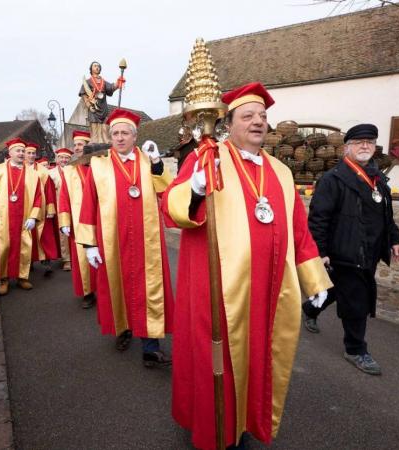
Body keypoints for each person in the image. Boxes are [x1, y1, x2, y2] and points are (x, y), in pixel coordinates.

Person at [162, 82, 332, 449]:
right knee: (216, 365)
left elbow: (298, 231)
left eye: (263, 116)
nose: (258, 122)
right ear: (229, 123)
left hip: (269, 290)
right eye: (248, 116)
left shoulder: (280, 172)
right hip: (220, 289)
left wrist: (315, 281)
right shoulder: (208, 159)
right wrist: (193, 189)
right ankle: (216, 432)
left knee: (258, 359)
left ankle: (244, 423)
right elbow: (171, 211)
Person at [304, 123, 399, 376]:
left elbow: (386, 214)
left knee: (336, 290)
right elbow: (318, 219)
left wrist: (394, 239)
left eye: (369, 143)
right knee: (356, 300)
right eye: (359, 143)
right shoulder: (332, 179)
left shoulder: (378, 179)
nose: (364, 146)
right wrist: (320, 251)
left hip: (369, 252)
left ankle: (309, 309)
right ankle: (356, 349)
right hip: (344, 251)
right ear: (347, 148)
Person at [77, 109, 174, 367]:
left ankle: (150, 347)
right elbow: (89, 204)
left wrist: (157, 164)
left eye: (125, 133)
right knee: (117, 285)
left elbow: (166, 189)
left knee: (147, 289)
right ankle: (123, 330)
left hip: (146, 238)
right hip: (113, 239)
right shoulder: (99, 164)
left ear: (135, 135)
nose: (119, 138)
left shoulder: (148, 160)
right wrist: (89, 243)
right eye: (115, 133)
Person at [0, 138, 42, 295]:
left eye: (23, 151)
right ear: (10, 153)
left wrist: (33, 217)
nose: (22, 154)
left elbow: (37, 196)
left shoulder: (32, 174)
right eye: (18, 151)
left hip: (24, 217)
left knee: (24, 247)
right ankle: (4, 279)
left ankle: (22, 277)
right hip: (4, 217)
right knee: (4, 248)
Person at [58, 134, 97, 309]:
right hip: (79, 221)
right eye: (75, 145)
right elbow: (64, 196)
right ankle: (88, 293)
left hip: (102, 219)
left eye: (81, 144)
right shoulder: (70, 170)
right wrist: (65, 220)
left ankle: (107, 292)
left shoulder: (100, 166)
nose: (77, 148)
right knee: (83, 258)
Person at [24, 142, 59, 274]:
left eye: (33, 153)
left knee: (45, 236)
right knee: (27, 236)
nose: (31, 155)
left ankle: (46, 263)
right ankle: (28, 262)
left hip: (42, 209)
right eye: (29, 153)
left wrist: (50, 209)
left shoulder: (43, 171)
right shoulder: (20, 170)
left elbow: (49, 190)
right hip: (26, 209)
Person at [78, 61, 125, 143]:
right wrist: (89, 106)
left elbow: (110, 88)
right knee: (94, 123)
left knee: (105, 123)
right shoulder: (88, 82)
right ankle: (95, 141)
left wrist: (118, 83)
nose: (97, 67)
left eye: (98, 66)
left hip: (103, 106)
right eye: (95, 66)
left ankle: (105, 140)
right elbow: (84, 95)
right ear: (91, 69)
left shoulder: (103, 81)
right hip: (94, 106)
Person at [49, 147, 73, 271]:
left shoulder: (74, 170)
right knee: (63, 234)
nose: (64, 160)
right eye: (61, 157)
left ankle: (77, 257)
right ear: (57, 158)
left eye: (67, 158)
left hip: (74, 205)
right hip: (59, 207)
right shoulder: (51, 173)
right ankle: (66, 259)